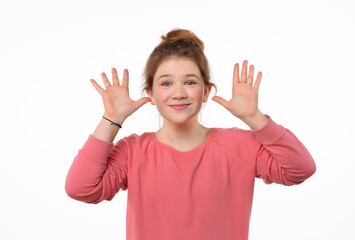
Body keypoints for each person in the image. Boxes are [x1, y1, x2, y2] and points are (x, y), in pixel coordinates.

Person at [65, 28, 316, 240]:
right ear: (150, 94)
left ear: (206, 92)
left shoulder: (240, 145)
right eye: (166, 83)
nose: (179, 93)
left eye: (190, 82)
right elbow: (81, 188)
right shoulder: (132, 152)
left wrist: (254, 118)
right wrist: (113, 118)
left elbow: (300, 169)